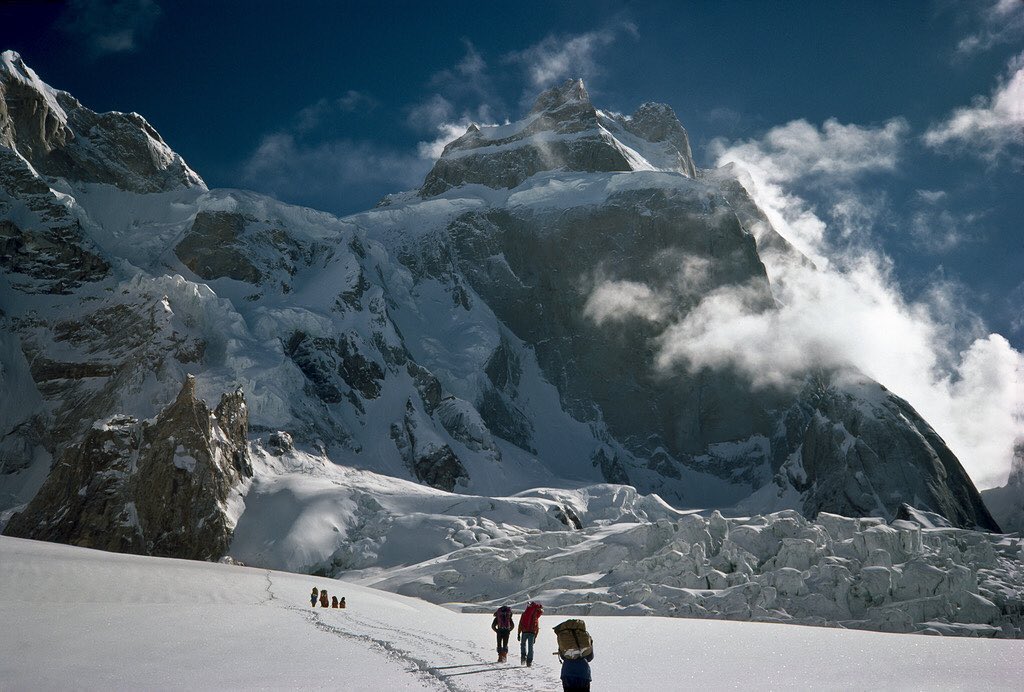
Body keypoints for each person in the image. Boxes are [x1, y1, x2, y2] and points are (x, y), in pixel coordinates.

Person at [517, 600, 543, 666]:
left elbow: (520, 623)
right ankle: (529, 661)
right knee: (530, 647)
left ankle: (523, 657)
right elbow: (537, 625)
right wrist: (536, 636)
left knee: (523, 645)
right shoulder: (536, 615)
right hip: (532, 632)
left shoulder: (524, 614)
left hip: (524, 632)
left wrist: (518, 633)